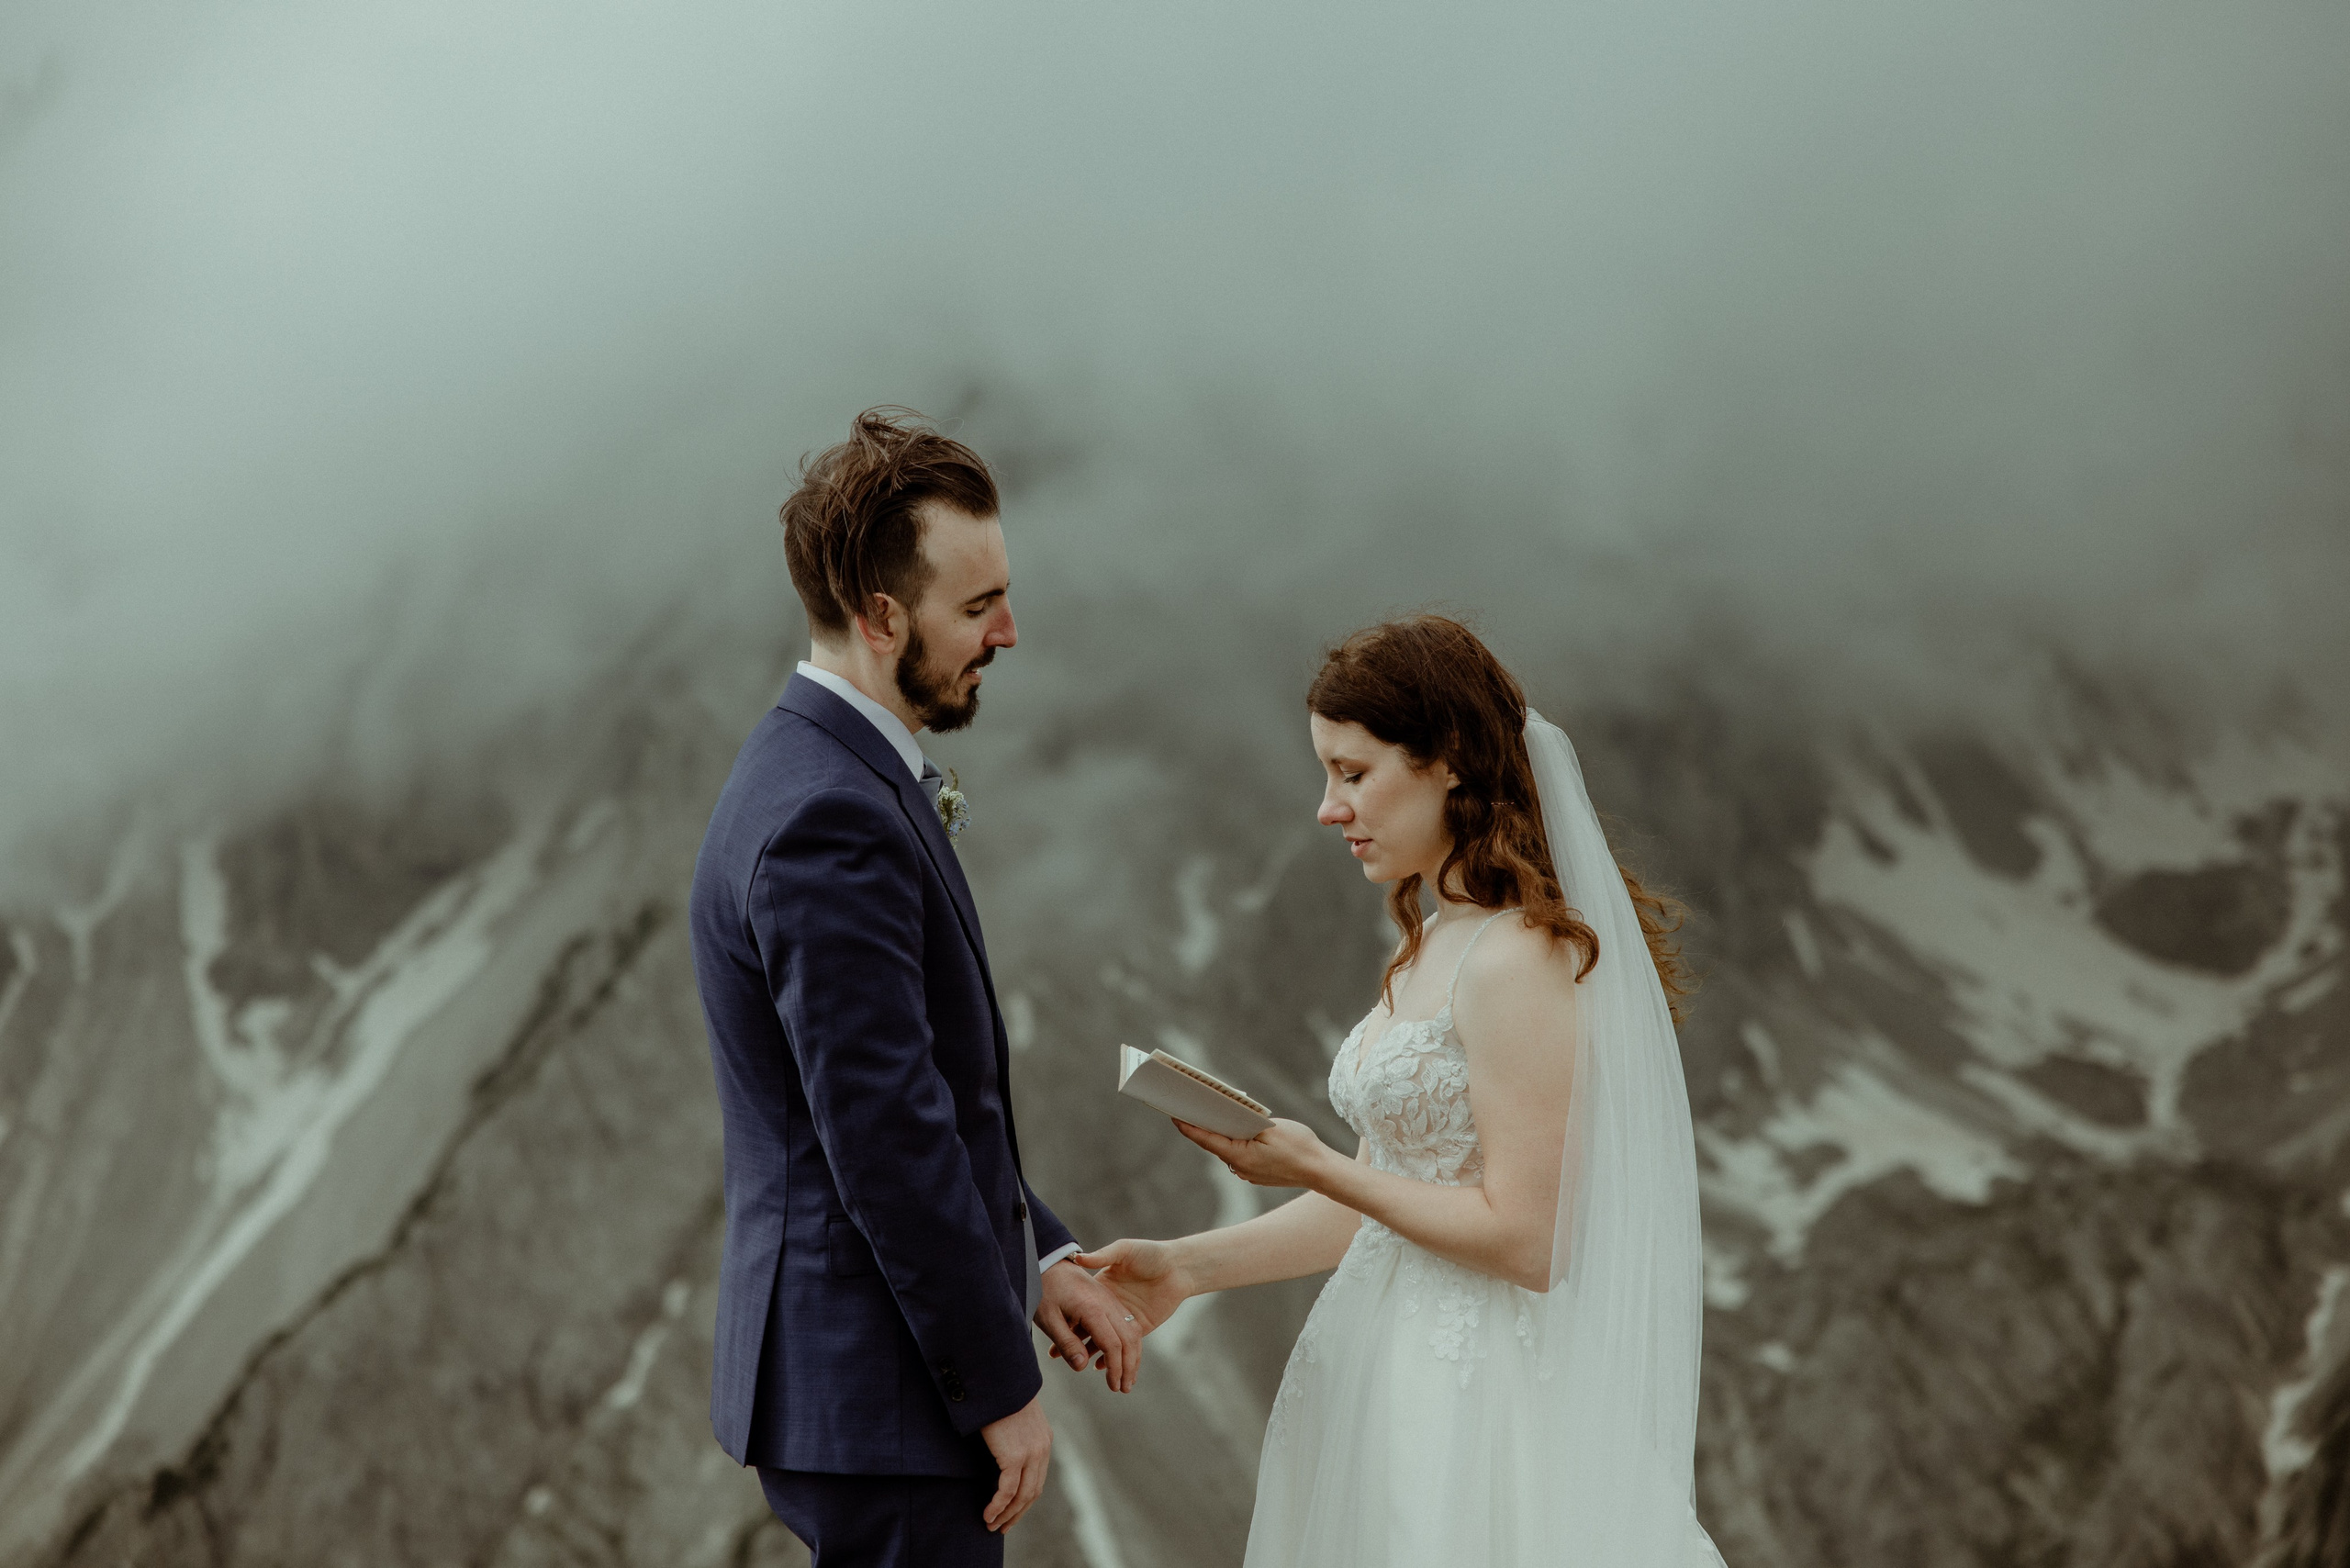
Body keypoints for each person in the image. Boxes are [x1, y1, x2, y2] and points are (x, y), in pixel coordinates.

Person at [1077, 614, 1729, 1567]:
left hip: (1478, 1400)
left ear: (1450, 759)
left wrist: (1315, 1165)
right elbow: (1398, 1200)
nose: (1328, 808)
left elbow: (1527, 1239)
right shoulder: (1429, 939)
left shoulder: (1517, 956)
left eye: (1352, 772)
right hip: (1377, 1370)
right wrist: (1187, 1265)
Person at [688, 408, 1139, 1566]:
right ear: (881, 616)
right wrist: (995, 1386)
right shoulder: (825, 817)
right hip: (883, 1397)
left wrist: (1036, 1259)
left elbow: (921, 1086)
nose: (1010, 631)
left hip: (869, 1389)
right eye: (978, 606)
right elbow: (885, 1132)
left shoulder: (815, 766)